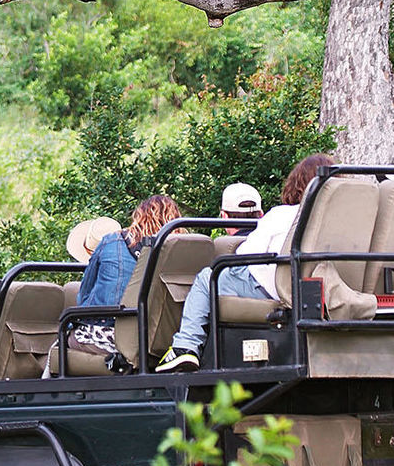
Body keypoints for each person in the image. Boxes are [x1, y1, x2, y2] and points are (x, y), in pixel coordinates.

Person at [157, 154, 334, 372]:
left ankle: (186, 347)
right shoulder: (339, 220)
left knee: (207, 277)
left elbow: (244, 255)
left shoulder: (282, 215)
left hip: (277, 291)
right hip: (322, 292)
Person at [65, 194, 184, 363]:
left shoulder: (112, 241)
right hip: (165, 337)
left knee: (65, 336)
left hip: (113, 334)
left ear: (139, 216)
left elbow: (84, 296)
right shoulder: (178, 251)